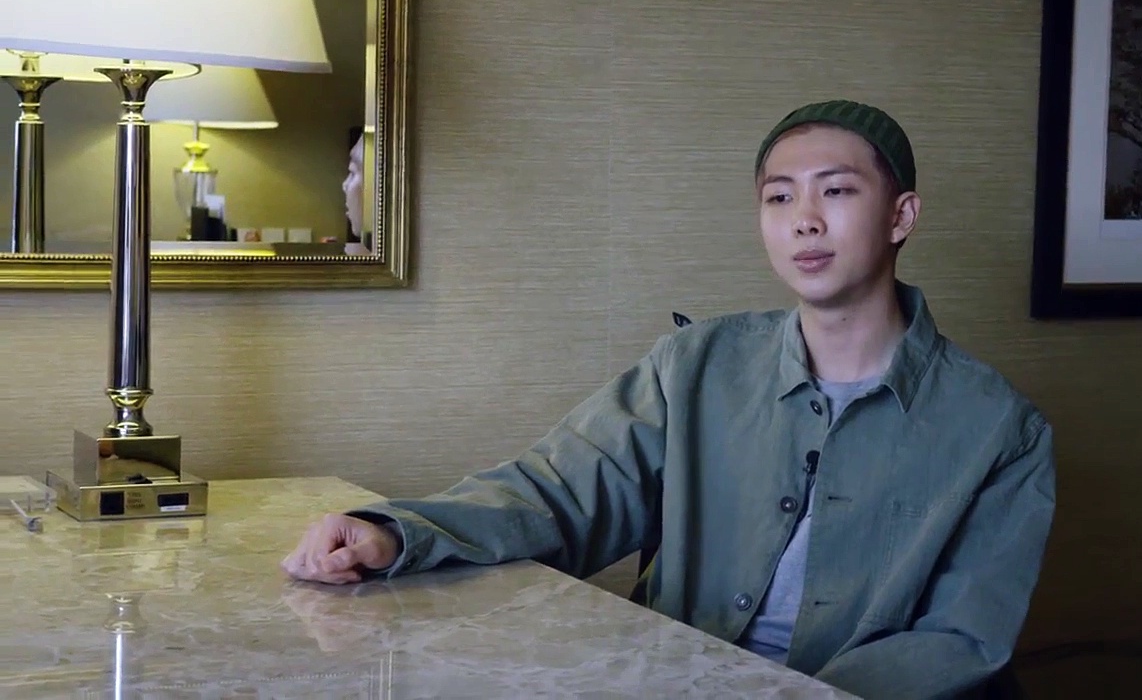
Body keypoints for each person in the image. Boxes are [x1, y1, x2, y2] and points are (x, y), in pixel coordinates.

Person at [283, 99, 1056, 699]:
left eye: (837, 191)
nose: (805, 221)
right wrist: (398, 533)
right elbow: (556, 492)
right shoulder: (695, 366)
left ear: (901, 216)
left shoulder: (1000, 428)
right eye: (779, 197)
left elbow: (962, 638)